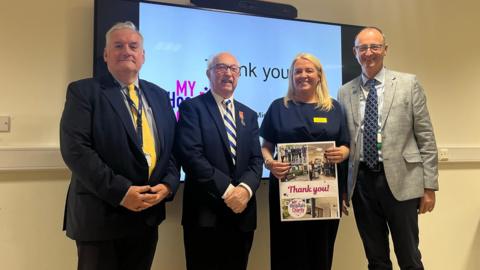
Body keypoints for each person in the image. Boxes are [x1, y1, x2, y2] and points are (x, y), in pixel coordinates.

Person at [60, 21, 179, 270]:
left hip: (146, 218)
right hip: (101, 217)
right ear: (106, 55)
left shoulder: (159, 95)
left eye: (133, 46)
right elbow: (76, 150)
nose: (127, 50)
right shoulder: (84, 92)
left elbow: (172, 149)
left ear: (143, 56)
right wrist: (122, 192)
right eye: (118, 45)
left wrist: (167, 185)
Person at [337, 27, 439, 270]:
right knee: (376, 258)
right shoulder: (344, 91)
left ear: (385, 49)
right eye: (363, 48)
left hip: (402, 181)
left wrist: (429, 186)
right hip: (361, 183)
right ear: (355, 52)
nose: (369, 53)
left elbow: (425, 136)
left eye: (374, 46)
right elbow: (343, 142)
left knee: (409, 256)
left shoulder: (408, 83)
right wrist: (342, 188)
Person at [260, 53, 350, 270]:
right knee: (287, 252)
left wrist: (343, 153)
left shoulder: (334, 108)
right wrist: (270, 163)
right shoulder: (278, 107)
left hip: (325, 194)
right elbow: (265, 146)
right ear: (291, 76)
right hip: (287, 193)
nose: (303, 75)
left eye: (309, 70)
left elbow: (346, 144)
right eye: (297, 71)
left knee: (321, 250)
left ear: (319, 75)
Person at [176, 52, 263, 270]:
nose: (228, 73)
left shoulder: (249, 114)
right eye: (221, 68)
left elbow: (256, 160)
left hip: (242, 215)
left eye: (233, 69)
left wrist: (244, 190)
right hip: (205, 215)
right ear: (209, 73)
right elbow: (191, 156)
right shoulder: (192, 108)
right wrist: (228, 191)